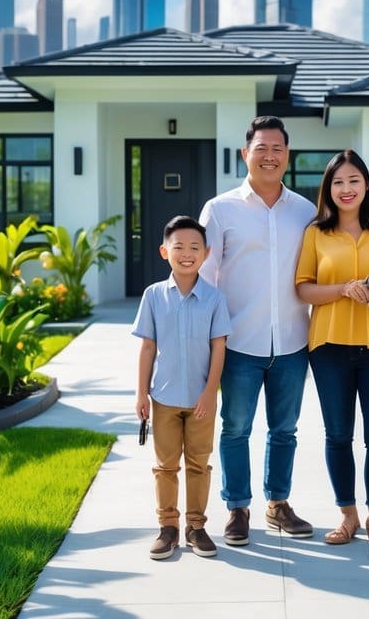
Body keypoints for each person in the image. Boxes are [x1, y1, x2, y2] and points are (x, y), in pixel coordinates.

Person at [199, 116, 316, 546]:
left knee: (285, 429)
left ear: (287, 156)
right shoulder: (220, 209)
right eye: (261, 148)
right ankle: (237, 508)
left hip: (291, 340)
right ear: (245, 153)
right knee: (235, 427)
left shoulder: (305, 212)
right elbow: (206, 281)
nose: (269, 156)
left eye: (278, 149)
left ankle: (278, 504)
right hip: (238, 343)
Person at [295, 150, 369, 549]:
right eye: (338, 182)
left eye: (354, 180)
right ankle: (348, 516)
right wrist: (342, 289)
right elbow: (303, 287)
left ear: (366, 185)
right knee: (338, 435)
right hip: (327, 348)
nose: (346, 189)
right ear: (328, 188)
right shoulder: (315, 234)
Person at [134, 215, 230, 560]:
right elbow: (147, 348)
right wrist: (141, 393)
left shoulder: (215, 299)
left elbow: (219, 347)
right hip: (163, 398)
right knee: (165, 465)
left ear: (205, 253)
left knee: (199, 464)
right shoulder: (153, 296)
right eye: (179, 247)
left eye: (194, 248)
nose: (186, 254)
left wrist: (210, 391)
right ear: (164, 251)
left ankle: (196, 526)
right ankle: (168, 527)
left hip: (202, 399)